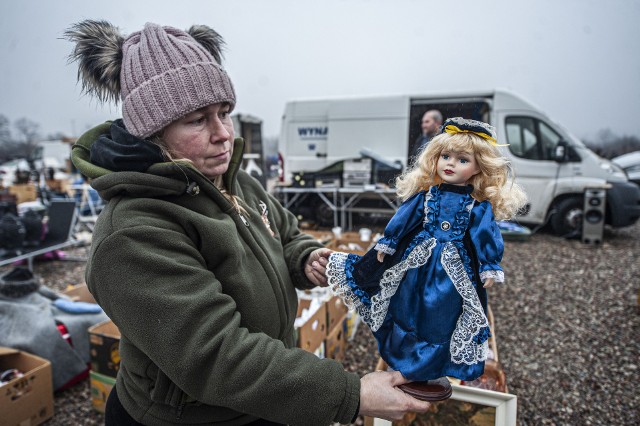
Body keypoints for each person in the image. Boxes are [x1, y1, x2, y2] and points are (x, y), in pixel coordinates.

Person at [64, 20, 431, 426]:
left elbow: (285, 232)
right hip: (196, 418)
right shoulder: (134, 232)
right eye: (198, 120)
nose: (223, 134)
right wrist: (349, 394)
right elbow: (215, 355)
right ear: (152, 132)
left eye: (224, 113)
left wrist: (305, 257)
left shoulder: (234, 180)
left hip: (259, 400)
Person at [327, 117, 527, 400]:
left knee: (440, 317)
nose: (450, 164)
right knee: (408, 308)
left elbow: (486, 235)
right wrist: (389, 242)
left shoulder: (476, 206)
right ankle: (408, 363)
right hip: (417, 264)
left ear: (479, 166)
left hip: (452, 273)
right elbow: (404, 219)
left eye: (461, 160)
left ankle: (428, 366)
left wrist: (489, 264)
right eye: (445, 156)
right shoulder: (426, 197)